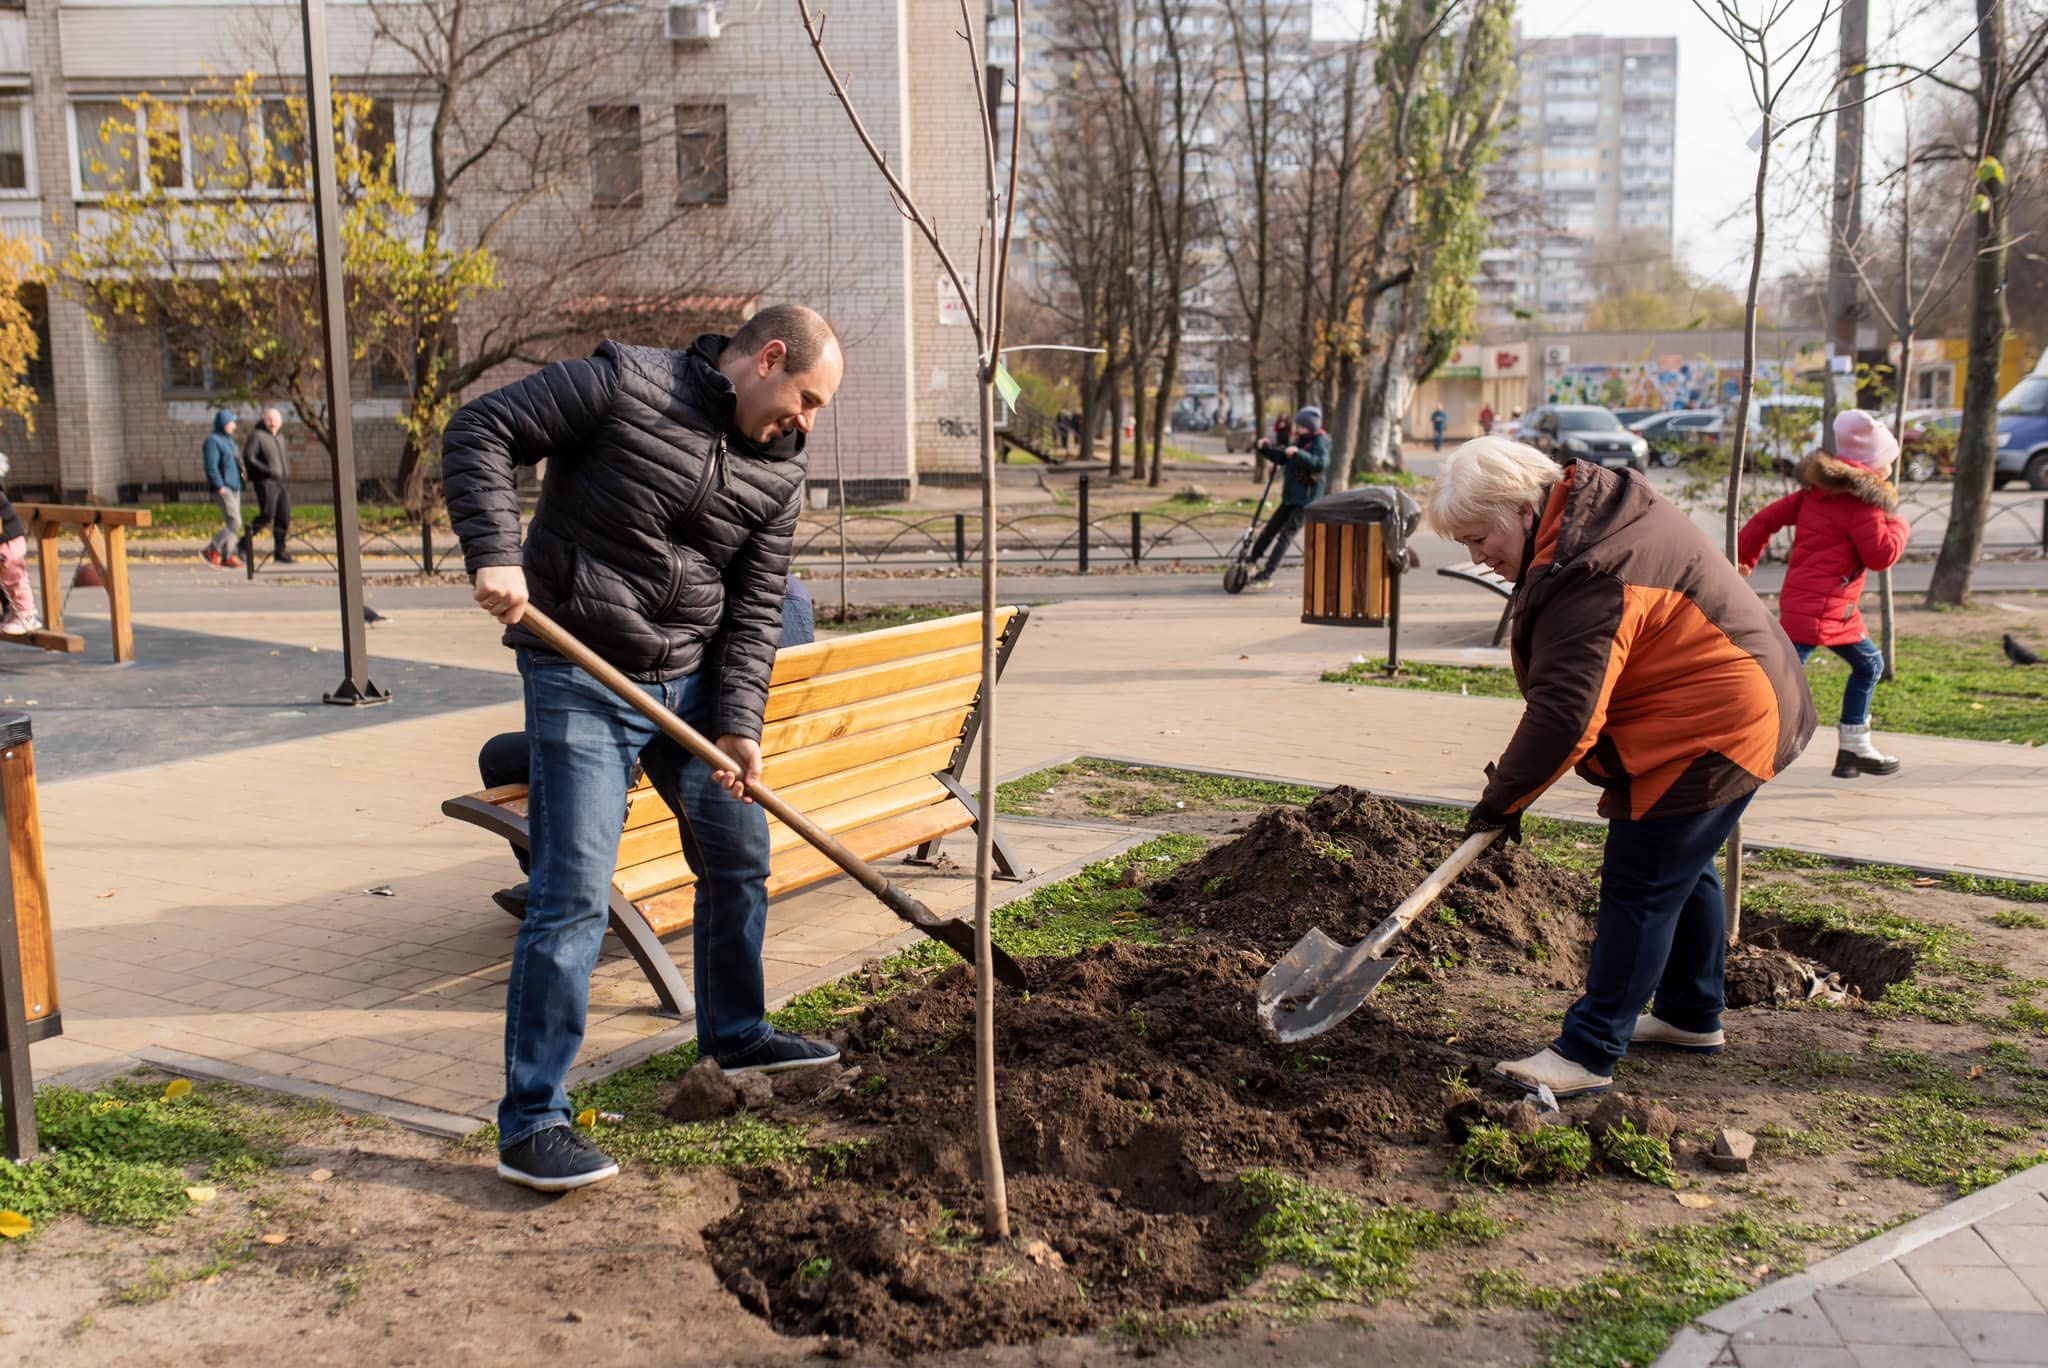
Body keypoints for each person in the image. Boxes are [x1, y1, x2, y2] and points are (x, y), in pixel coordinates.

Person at [443, 304, 845, 1193]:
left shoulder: (778, 473)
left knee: (739, 854)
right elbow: (481, 426)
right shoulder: (625, 383)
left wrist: (738, 724)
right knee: (574, 892)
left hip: (693, 686)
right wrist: (495, 550)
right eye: (806, 397)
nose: (805, 420)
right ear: (769, 358)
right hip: (582, 673)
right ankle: (533, 1120)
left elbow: (751, 614)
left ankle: (736, 1036)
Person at [1427, 437, 1813, 1099]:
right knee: (1681, 871)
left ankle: (1588, 1051)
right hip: (1729, 703)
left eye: (1477, 537)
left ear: (1522, 509)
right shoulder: (1591, 518)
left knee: (1640, 882)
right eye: (1462, 544)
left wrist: (1503, 800)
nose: (1477, 558)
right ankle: (1692, 1013)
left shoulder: (1593, 567)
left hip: (1715, 725)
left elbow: (1566, 717)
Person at [475, 576, 820, 911]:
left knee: (497, 756)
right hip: (756, 756)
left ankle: (550, 883)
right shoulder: (792, 597)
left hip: (672, 759)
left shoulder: (695, 597)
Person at [1737, 410, 1909, 779]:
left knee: (1808, 668)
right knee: (1782, 675)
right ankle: (1740, 737)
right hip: (1825, 608)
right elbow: (1881, 556)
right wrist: (1899, 524)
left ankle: (1851, 752)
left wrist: (1743, 557)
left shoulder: (1814, 494)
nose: (1891, 470)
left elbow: (1763, 520)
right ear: (1874, 467)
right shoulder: (1863, 506)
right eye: (1888, 463)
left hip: (1817, 604)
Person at [1246, 406, 1329, 587]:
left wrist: (1300, 453)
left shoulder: (1320, 442)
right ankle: (1251, 560)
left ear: (1310, 426)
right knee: (1270, 529)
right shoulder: (1301, 440)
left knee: (1285, 536)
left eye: (1301, 426)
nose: (1297, 429)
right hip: (1290, 497)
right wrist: (1264, 449)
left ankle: (1267, 574)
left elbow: (1320, 464)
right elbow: (1283, 457)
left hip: (1306, 500)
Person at [239, 407, 296, 566]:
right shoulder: (257, 436)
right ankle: (243, 543)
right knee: (267, 514)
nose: (273, 423)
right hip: (266, 482)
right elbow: (249, 457)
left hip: (281, 483)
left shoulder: (281, 437)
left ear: (281, 422)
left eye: (276, 420)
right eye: (270, 419)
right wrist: (267, 470)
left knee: (283, 517)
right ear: (264, 420)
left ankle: (280, 551)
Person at [0, 453, 40, 635]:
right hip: (6, 538)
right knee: (7, 580)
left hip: (8, 539)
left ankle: (26, 614)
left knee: (14, 577)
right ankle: (13, 613)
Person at [201, 409, 244, 569]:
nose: (234, 425)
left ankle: (228, 555)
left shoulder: (230, 441)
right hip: (223, 487)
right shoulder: (213, 441)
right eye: (232, 422)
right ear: (224, 423)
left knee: (234, 521)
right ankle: (211, 549)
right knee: (235, 522)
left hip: (235, 486)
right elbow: (211, 466)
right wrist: (219, 485)